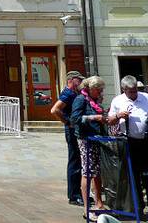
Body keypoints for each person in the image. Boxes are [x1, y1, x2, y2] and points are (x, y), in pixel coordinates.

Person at [109, 75, 148, 221]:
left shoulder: (146, 97)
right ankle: (139, 209)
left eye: (135, 91)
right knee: (134, 177)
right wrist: (119, 116)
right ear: (124, 89)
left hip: (146, 141)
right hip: (129, 142)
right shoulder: (117, 101)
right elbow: (110, 120)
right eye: (131, 91)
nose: (134, 94)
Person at [71, 76, 109, 221]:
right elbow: (75, 119)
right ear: (91, 88)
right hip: (86, 140)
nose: (100, 92)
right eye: (98, 90)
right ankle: (87, 209)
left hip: (96, 139)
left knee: (96, 172)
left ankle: (99, 203)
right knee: (87, 172)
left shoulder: (93, 100)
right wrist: (94, 117)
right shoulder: (80, 99)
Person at [50, 70, 85, 206]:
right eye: (78, 80)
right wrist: (68, 122)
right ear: (71, 80)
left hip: (75, 130)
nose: (81, 82)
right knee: (75, 161)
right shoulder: (68, 93)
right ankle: (74, 195)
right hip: (72, 131)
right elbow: (55, 110)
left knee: (78, 161)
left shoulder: (72, 92)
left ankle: (78, 193)